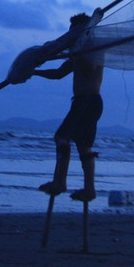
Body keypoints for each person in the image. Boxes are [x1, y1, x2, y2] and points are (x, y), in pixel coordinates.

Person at [32, 13, 104, 202]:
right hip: (82, 101)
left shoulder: (94, 49)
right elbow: (58, 73)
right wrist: (34, 72)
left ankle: (60, 182)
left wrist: (77, 53)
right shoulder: (79, 51)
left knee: (61, 137)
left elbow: (90, 70)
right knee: (83, 145)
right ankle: (89, 189)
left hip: (88, 101)